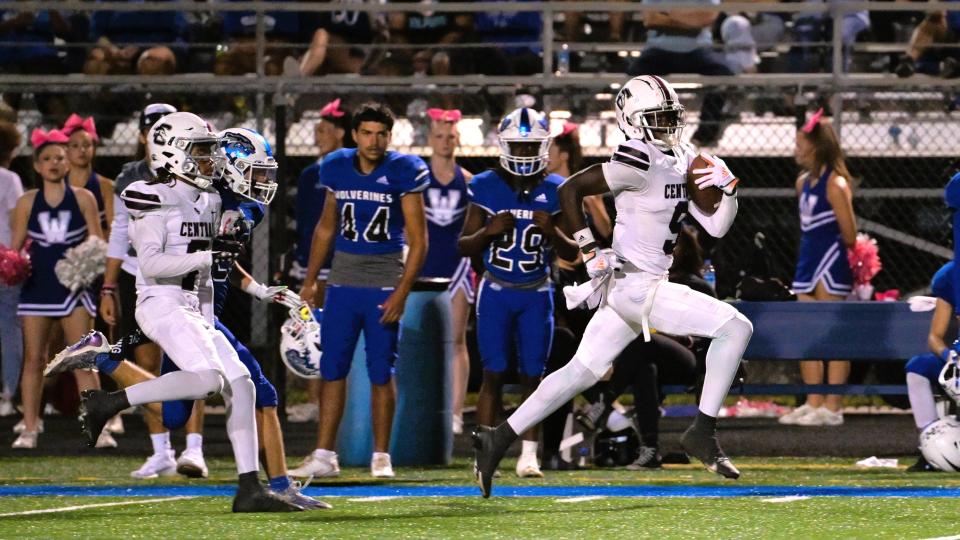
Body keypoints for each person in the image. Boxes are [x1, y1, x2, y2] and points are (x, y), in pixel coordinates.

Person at [473, 75, 752, 497]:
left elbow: (715, 225)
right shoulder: (636, 159)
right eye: (657, 119)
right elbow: (571, 189)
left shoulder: (679, 156)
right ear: (633, 121)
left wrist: (729, 193)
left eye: (671, 118)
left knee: (576, 375)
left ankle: (497, 439)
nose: (667, 126)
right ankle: (703, 431)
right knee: (736, 327)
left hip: (637, 287)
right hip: (635, 288)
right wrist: (587, 249)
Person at [48, 127, 330, 509]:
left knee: (230, 391)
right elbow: (164, 257)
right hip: (169, 304)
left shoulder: (215, 200)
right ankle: (109, 394)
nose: (261, 181)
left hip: (200, 309)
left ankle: (251, 489)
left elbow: (222, 257)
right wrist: (208, 258)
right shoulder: (164, 195)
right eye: (253, 171)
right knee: (214, 385)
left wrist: (260, 290)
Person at [292, 102, 429, 479]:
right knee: (332, 367)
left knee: (381, 371)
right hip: (342, 280)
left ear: (390, 135)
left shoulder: (404, 169)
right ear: (354, 134)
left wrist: (402, 292)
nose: (374, 140)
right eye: (367, 133)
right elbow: (325, 227)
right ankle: (324, 455)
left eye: (381, 133)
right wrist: (310, 280)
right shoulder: (336, 165)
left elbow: (419, 241)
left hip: (383, 280)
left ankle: (381, 455)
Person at [459, 107, 578, 478]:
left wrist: (552, 232)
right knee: (492, 374)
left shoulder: (556, 190)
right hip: (495, 290)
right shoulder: (484, 185)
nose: (524, 155)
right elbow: (464, 245)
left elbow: (572, 251)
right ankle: (483, 452)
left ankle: (529, 454)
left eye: (530, 148)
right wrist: (488, 232)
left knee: (532, 375)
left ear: (542, 148)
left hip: (536, 292)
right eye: (518, 147)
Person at [99, 103, 186, 478]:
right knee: (149, 363)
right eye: (154, 131)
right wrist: (107, 285)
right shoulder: (130, 176)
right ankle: (161, 449)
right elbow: (120, 231)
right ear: (141, 136)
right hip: (143, 276)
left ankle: (194, 449)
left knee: (189, 360)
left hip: (184, 276)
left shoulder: (193, 170)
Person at [10, 128, 106, 449]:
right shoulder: (26, 202)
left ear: (67, 164)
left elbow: (98, 242)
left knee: (82, 358)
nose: (54, 163)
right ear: (36, 166)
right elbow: (16, 247)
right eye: (47, 158)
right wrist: (12, 264)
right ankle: (29, 427)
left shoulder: (83, 198)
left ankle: (98, 428)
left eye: (59, 158)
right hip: (37, 288)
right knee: (34, 359)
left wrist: (81, 266)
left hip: (74, 290)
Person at [778, 108, 857, 428]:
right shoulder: (802, 184)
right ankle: (813, 401)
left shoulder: (835, 185)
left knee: (834, 334)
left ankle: (833, 406)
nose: (795, 149)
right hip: (807, 262)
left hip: (830, 264)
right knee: (805, 333)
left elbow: (849, 235)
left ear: (815, 146)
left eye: (799, 143)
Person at [289, 98, 352, 424]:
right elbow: (304, 223)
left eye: (324, 130)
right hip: (309, 262)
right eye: (316, 130)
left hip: (337, 261)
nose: (317, 136)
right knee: (309, 327)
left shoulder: (346, 172)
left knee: (329, 329)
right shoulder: (308, 174)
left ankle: (329, 398)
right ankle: (314, 399)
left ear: (341, 134)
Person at [420, 109, 474, 436]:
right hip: (422, 267)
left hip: (457, 268)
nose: (444, 142)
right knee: (418, 341)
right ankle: (420, 407)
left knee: (456, 341)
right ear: (429, 140)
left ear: (458, 140)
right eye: (439, 136)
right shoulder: (416, 178)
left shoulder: (468, 181)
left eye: (450, 137)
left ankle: (455, 414)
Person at [626, 0, 733, 147]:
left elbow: (708, 18)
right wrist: (691, 20)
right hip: (658, 50)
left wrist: (669, 16)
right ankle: (652, 132)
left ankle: (705, 134)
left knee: (723, 74)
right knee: (634, 77)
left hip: (698, 50)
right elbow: (652, 20)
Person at [903, 261, 957, 472]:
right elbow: (935, 337)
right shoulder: (950, 276)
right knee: (918, 367)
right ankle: (930, 446)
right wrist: (951, 358)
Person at [0, 121, 23, 417]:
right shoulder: (9, 179)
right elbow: (19, 221)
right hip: (4, 262)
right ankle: (9, 394)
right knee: (9, 330)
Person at [62, 115, 114, 237]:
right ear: (66, 150)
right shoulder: (56, 186)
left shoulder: (107, 187)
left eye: (87, 145)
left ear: (94, 148)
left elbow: (116, 232)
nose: (82, 150)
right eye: (75, 146)